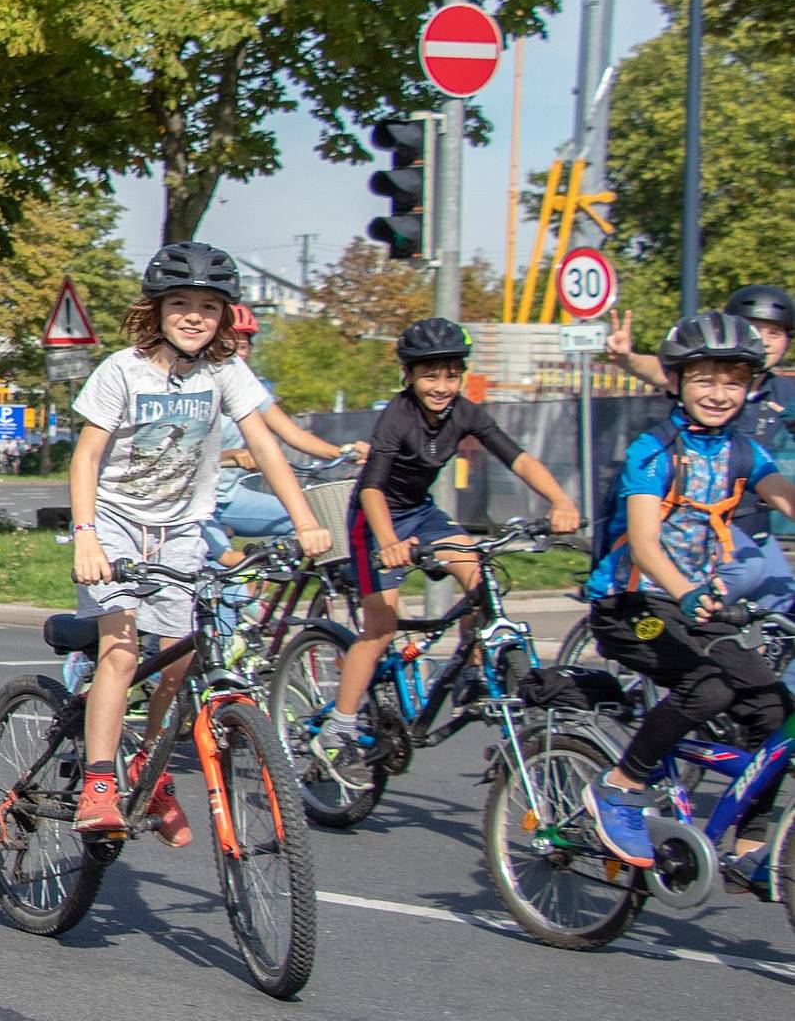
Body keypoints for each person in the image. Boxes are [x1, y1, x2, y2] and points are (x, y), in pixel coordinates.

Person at [67, 243, 332, 838]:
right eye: (181, 303)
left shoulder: (224, 371)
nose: (194, 316)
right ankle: (99, 784)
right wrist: (87, 538)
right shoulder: (122, 370)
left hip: (182, 529)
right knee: (121, 650)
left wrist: (305, 519)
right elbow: (85, 458)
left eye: (208, 307)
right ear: (157, 309)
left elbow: (265, 445)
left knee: (183, 658)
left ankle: (150, 768)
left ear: (224, 316)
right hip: (114, 522)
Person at [578, 312, 794, 883]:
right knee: (711, 685)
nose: (719, 394)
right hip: (633, 609)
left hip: (694, 608)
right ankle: (619, 787)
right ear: (674, 381)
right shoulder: (654, 450)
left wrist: (697, 599)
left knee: (774, 707)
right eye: (705, 380)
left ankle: (749, 844)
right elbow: (645, 546)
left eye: (734, 381)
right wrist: (689, 591)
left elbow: (787, 499)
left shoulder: (745, 452)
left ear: (749, 386)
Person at [312, 317, 583, 765]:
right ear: (409, 375)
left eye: (452, 375)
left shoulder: (465, 413)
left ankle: (473, 671)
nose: (442, 386)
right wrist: (388, 541)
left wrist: (561, 500)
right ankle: (340, 722)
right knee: (381, 628)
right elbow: (372, 487)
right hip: (375, 518)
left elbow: (517, 458)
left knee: (481, 581)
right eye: (430, 376)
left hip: (421, 511)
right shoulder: (398, 417)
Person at [606, 284, 795, 612]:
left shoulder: (784, 393)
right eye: (755, 329)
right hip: (696, 519)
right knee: (743, 575)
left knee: (782, 603)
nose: (720, 395)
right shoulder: (664, 439)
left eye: (774, 333)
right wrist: (627, 358)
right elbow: (662, 370)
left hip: (755, 518)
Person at [210, 305, 369, 552]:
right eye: (226, 345)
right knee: (221, 567)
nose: (235, 354)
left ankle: (269, 573)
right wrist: (229, 456)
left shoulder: (245, 385)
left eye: (242, 346)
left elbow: (291, 432)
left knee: (307, 523)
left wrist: (342, 453)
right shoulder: (197, 383)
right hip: (196, 503)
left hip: (230, 497)